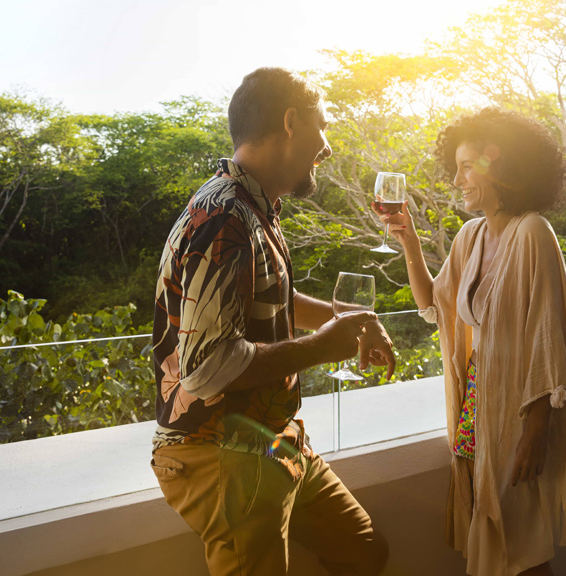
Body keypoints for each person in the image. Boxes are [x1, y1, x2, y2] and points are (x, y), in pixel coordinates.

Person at [151, 67, 393, 576]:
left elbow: (277, 298)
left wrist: (349, 322)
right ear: (290, 122)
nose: (326, 146)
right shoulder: (224, 218)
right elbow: (208, 366)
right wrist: (326, 347)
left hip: (272, 440)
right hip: (221, 454)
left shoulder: (255, 208)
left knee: (360, 548)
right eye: (321, 126)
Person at [376, 107, 566, 576]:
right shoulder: (470, 236)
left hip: (520, 410)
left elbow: (548, 338)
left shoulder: (533, 231)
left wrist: (536, 433)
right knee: (495, 532)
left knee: (523, 543)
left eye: (467, 166)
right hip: (478, 405)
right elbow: (437, 305)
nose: (457, 180)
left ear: (500, 166)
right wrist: (410, 243)